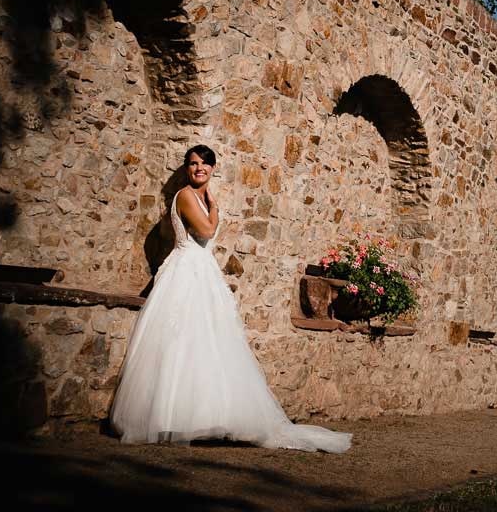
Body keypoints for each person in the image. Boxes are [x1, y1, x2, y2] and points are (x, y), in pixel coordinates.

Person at [109, 144, 351, 452]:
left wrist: (210, 203)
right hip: (186, 272)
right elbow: (208, 231)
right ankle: (170, 416)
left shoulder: (200, 197)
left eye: (205, 164)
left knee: (208, 342)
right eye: (194, 163)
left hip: (202, 271)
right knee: (179, 341)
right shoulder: (186, 196)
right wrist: (215, 207)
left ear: (212, 168)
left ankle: (204, 414)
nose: (199, 168)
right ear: (187, 168)